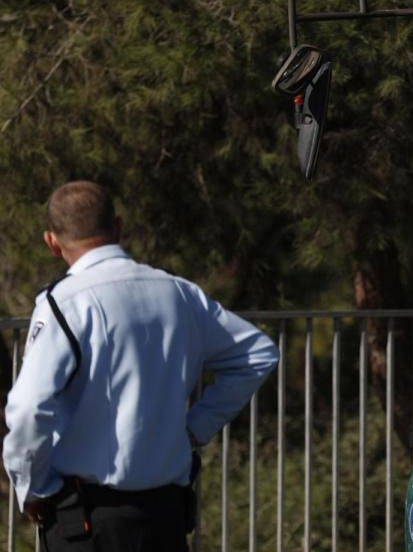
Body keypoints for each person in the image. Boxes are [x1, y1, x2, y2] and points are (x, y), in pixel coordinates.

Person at [3, 181, 279, 551]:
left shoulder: (64, 304)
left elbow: (28, 409)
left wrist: (33, 487)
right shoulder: (179, 292)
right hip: (165, 514)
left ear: (52, 242)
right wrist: (195, 428)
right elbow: (257, 354)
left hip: (86, 519)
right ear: (118, 227)